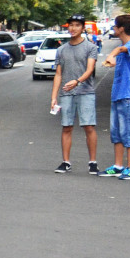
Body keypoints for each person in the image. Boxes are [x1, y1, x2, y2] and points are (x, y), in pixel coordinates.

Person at [50, 14, 99, 174]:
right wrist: (53, 97)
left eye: (77, 25)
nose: (73, 28)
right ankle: (66, 162)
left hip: (86, 92)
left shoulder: (90, 47)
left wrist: (77, 81)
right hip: (66, 94)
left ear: (83, 28)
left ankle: (92, 162)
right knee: (66, 127)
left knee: (89, 126)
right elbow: (58, 74)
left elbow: (90, 69)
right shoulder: (61, 49)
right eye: (71, 25)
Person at [100, 13, 130, 180]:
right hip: (117, 95)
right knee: (116, 132)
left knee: (128, 131)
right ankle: (118, 166)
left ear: (121, 29)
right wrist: (112, 61)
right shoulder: (125, 48)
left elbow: (120, 49)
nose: (113, 29)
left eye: (115, 26)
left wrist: (112, 54)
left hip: (128, 96)